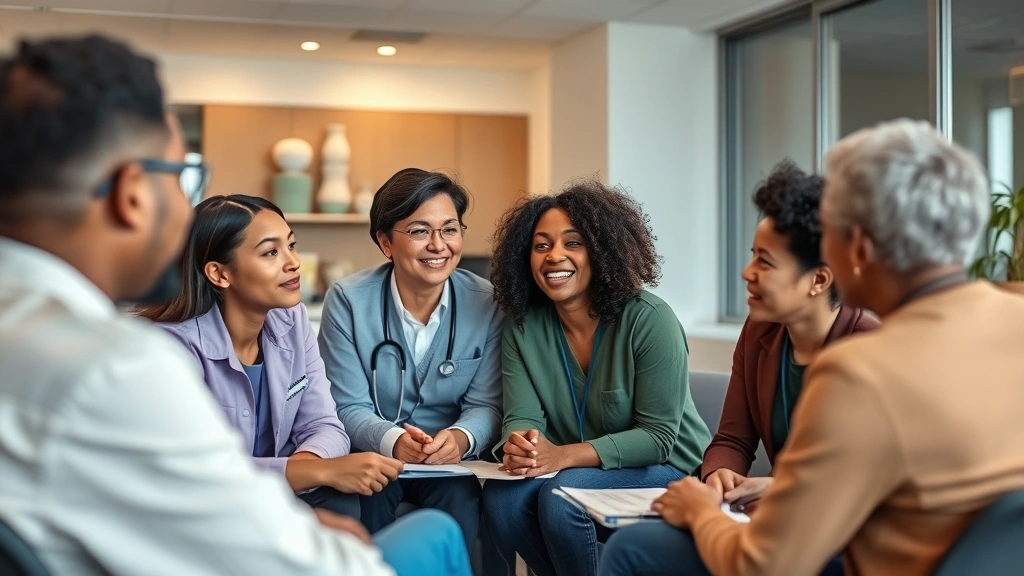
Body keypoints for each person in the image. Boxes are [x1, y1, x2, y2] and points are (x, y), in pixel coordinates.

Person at [0, 34, 470, 576]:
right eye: (183, 177)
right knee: (433, 536)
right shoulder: (115, 367)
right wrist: (326, 532)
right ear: (132, 195)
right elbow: (281, 560)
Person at [599, 119, 1024, 576]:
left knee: (636, 547)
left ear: (856, 245)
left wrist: (700, 511)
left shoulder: (861, 371)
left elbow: (764, 565)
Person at [482, 180, 712, 576]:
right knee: (502, 499)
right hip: (570, 466)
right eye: (541, 245)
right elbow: (522, 416)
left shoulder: (649, 319)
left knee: (562, 497)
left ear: (602, 252)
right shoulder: (523, 326)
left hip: (669, 466)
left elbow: (657, 438)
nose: (554, 256)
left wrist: (561, 456)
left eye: (573, 243)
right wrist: (523, 444)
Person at [140, 194, 404, 519]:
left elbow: (325, 425)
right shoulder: (169, 350)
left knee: (344, 498)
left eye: (291, 245)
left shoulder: (292, 321)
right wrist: (313, 472)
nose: (293, 262)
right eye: (271, 252)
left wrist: (307, 468)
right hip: (203, 511)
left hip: (272, 496)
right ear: (219, 274)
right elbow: (193, 469)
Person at [318, 168, 503, 552]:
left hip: (452, 464)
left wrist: (460, 437)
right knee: (368, 511)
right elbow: (347, 405)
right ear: (386, 243)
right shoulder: (349, 301)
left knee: (462, 508)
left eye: (450, 230)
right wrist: (394, 440)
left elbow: (486, 403)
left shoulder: (488, 302)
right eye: (420, 231)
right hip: (375, 455)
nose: (439, 245)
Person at [701, 160, 878, 516]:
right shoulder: (758, 331)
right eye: (753, 256)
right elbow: (733, 439)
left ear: (819, 280)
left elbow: (872, 477)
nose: (747, 272)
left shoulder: (874, 346)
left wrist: (784, 489)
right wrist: (720, 475)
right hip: (770, 520)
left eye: (765, 263)